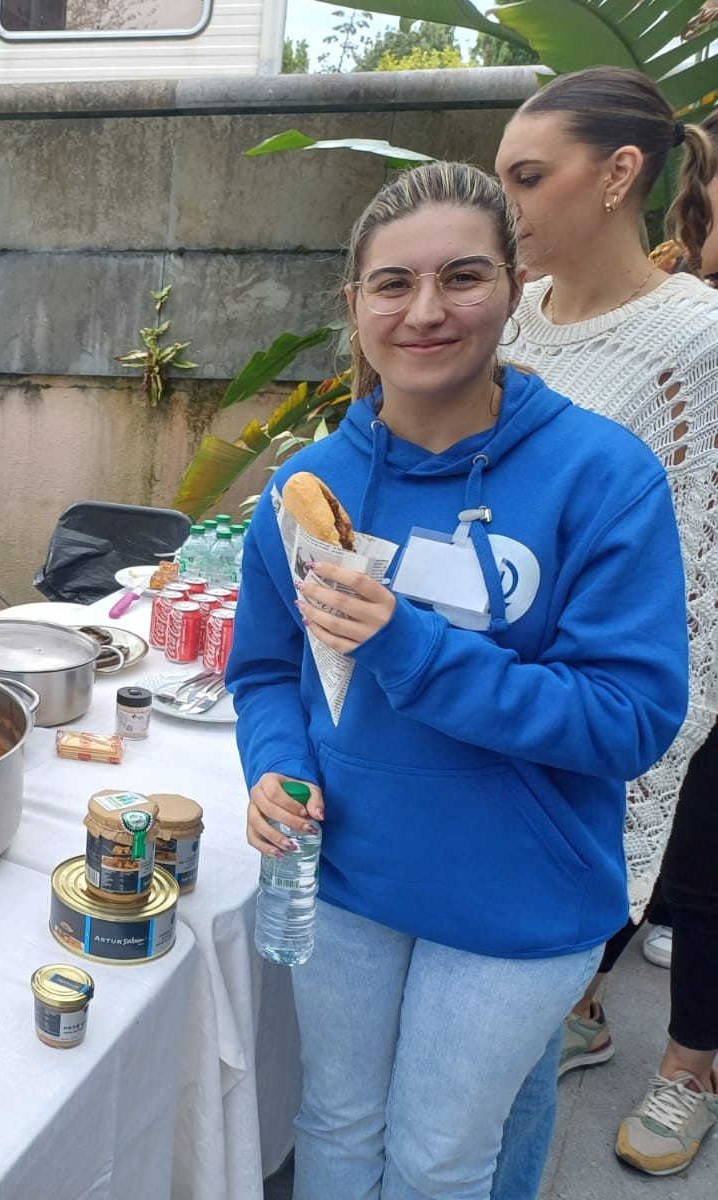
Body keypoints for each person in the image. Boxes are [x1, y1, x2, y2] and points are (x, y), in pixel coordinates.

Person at [226, 161, 689, 1198]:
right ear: (353, 306)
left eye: (462, 278)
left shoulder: (601, 477)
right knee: (335, 1126)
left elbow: (629, 719)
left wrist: (412, 647)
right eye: (392, 285)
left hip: (518, 900)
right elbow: (262, 669)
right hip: (343, 879)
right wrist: (275, 767)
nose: (425, 311)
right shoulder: (306, 489)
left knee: (440, 1160)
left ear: (515, 285)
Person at [489, 65, 718, 1185]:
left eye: (529, 177)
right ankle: (580, 1011)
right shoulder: (512, 315)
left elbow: (696, 530)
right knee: (557, 893)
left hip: (666, 662)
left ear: (620, 175)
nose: (510, 203)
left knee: (697, 869)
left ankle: (691, 1066)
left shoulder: (695, 339)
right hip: (517, 670)